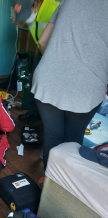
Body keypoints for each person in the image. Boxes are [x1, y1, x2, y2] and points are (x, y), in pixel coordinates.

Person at [31, 0, 108, 171]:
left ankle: (48, 182)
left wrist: (57, 63)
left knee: (52, 135)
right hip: (87, 86)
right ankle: (63, 188)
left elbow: (43, 42)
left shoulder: (68, 2)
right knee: (73, 139)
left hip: (47, 79)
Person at [11, 0, 59, 122]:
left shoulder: (54, 7)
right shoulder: (31, 12)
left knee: (49, 86)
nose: (25, 18)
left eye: (26, 14)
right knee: (34, 80)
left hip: (57, 54)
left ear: (36, 3)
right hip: (43, 50)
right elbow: (29, 24)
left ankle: (50, 118)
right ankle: (34, 114)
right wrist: (19, 21)